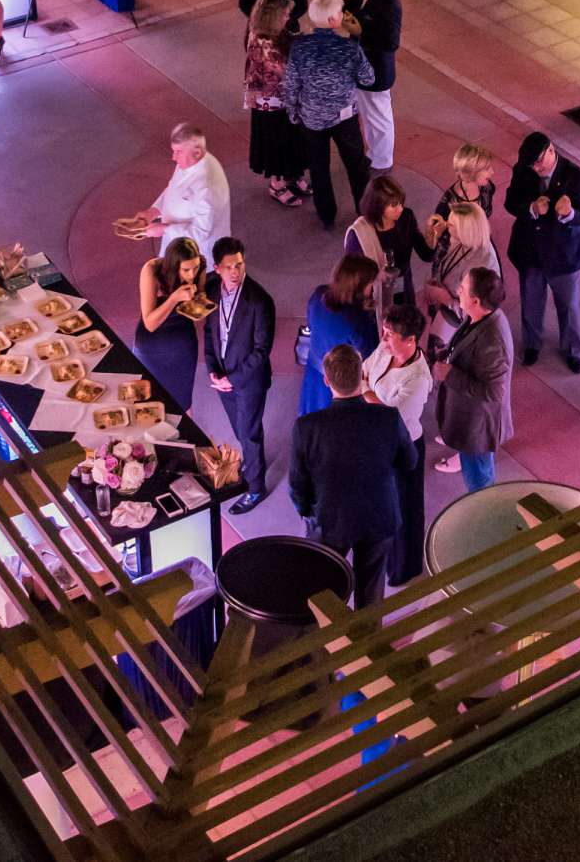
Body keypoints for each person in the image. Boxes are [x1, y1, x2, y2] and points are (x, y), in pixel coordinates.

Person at [290, 344, 414, 608]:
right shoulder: (389, 418)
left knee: (326, 593)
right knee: (370, 595)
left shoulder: (307, 428)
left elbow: (298, 484)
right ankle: (367, 644)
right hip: (378, 515)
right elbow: (409, 462)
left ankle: (330, 642)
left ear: (326, 380)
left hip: (331, 520)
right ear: (361, 376)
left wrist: (307, 511)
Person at [283, 0, 375, 230]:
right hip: (345, 117)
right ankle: (365, 212)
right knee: (356, 165)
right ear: (335, 20)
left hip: (312, 119)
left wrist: (293, 111)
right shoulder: (348, 48)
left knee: (318, 167)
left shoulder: (300, 48)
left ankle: (326, 216)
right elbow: (368, 78)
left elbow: (291, 84)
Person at [504, 134, 580, 372]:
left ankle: (573, 350)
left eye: (538, 162)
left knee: (569, 306)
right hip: (530, 250)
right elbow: (510, 202)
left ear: (551, 151)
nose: (535, 168)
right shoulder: (523, 170)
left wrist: (568, 213)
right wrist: (531, 208)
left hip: (563, 253)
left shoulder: (575, 176)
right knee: (530, 301)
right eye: (532, 164)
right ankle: (532, 344)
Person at [361, 305, 434, 587]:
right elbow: (365, 369)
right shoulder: (385, 351)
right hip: (381, 442)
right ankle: (388, 556)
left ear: (411, 340)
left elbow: (391, 416)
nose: (384, 338)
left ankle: (406, 566)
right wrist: (368, 390)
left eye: (390, 334)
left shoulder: (417, 378)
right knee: (385, 505)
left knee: (406, 508)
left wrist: (365, 390)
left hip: (405, 448)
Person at [204, 238, 276, 515]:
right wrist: (213, 368)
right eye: (229, 266)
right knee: (241, 430)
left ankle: (256, 488)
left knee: (249, 432)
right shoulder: (212, 290)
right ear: (217, 268)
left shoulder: (259, 300)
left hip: (248, 381)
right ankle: (253, 461)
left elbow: (262, 351)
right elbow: (210, 332)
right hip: (222, 377)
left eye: (240, 264)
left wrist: (232, 379)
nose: (236, 271)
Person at [432, 267, 513, 491]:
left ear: (475, 301)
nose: (458, 290)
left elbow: (495, 392)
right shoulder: (480, 317)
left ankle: (485, 518)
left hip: (476, 427)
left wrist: (451, 375)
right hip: (468, 420)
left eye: (463, 288)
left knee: (479, 484)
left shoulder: (493, 340)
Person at [244, 0, 306, 208]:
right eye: (285, 14)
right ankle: (277, 183)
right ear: (273, 16)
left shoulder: (274, 33)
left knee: (291, 138)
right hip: (270, 102)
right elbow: (281, 71)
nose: (289, 17)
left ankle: (293, 174)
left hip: (282, 99)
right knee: (277, 142)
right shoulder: (263, 41)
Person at [300, 255, 380, 417]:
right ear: (359, 286)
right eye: (371, 285)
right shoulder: (358, 319)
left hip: (315, 372)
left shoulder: (318, 294)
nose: (372, 290)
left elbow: (310, 323)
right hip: (341, 383)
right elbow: (369, 355)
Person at [139, 123, 231, 259]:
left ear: (197, 152)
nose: (173, 157)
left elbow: (200, 233)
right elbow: (173, 189)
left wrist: (164, 229)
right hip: (177, 244)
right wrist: (153, 212)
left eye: (178, 152)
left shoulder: (207, 187)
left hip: (195, 255)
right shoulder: (192, 160)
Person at [135, 238, 207, 411]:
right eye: (186, 270)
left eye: (195, 268)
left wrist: (198, 301)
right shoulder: (152, 270)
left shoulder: (201, 266)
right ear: (174, 265)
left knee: (182, 401)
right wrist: (174, 298)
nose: (192, 274)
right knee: (143, 397)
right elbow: (150, 323)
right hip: (152, 343)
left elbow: (200, 302)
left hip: (182, 346)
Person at [345, 0, 402, 171]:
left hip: (377, 69)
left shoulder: (389, 3)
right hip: (361, 66)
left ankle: (383, 159)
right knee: (368, 115)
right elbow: (352, 9)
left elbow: (391, 43)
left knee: (379, 117)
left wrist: (360, 32)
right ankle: (373, 153)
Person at [344, 175, 427, 317]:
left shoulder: (406, 217)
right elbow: (353, 278)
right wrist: (376, 276)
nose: (400, 209)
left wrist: (432, 235)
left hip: (404, 286)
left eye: (401, 202)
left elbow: (426, 254)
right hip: (375, 294)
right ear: (377, 205)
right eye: (394, 205)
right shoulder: (358, 235)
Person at [421, 200, 497, 335]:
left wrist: (445, 298)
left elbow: (475, 314)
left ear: (465, 231)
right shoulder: (464, 240)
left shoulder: (482, 264)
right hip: (444, 311)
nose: (445, 226)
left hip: (457, 325)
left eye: (450, 225)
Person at [433, 142, 499, 230]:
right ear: (471, 173)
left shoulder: (488, 187)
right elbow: (440, 228)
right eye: (487, 169)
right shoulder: (450, 202)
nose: (492, 172)